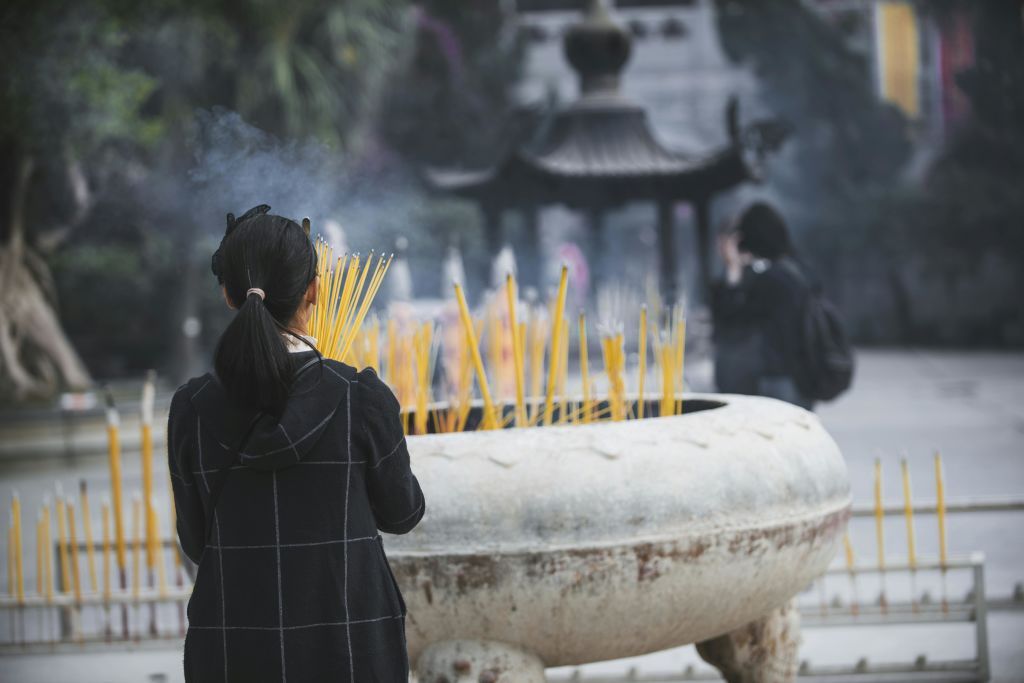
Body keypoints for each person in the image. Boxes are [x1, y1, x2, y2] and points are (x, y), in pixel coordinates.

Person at [168, 205, 425, 682]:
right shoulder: (360, 397)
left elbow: (195, 539)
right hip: (351, 649)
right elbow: (404, 513)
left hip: (234, 649)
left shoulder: (192, 408)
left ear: (227, 295)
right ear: (314, 290)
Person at [710, 202, 815, 410]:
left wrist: (734, 268)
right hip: (799, 376)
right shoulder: (796, 270)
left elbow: (729, 317)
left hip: (777, 379)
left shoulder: (769, 279)